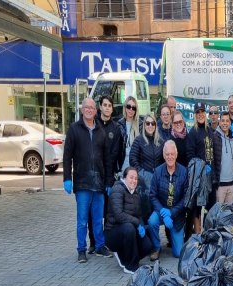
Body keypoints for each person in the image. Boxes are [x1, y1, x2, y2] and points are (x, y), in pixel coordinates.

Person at [63, 97, 114, 263]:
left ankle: (100, 246)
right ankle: (81, 250)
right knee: (82, 220)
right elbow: (67, 156)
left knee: (98, 219)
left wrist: (108, 182)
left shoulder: (101, 131)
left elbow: (107, 159)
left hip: (99, 184)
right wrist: (66, 178)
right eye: (86, 107)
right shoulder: (74, 129)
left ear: (95, 110)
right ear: (82, 109)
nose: (89, 110)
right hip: (82, 183)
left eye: (92, 108)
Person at [86, 95, 122, 254]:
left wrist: (110, 180)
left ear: (112, 109)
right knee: (91, 212)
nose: (107, 108)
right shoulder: (93, 124)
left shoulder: (115, 128)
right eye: (104, 105)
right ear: (99, 107)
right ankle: (93, 242)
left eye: (110, 105)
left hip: (108, 177)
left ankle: (104, 243)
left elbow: (115, 155)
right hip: (92, 176)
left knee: (108, 212)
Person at [105, 167, 153, 274]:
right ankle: (130, 266)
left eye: (136, 178)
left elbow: (139, 215)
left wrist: (141, 225)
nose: (134, 181)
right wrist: (136, 223)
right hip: (113, 232)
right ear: (124, 177)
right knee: (129, 228)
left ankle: (126, 256)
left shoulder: (135, 194)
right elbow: (119, 215)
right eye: (131, 177)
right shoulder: (117, 189)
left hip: (128, 229)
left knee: (148, 245)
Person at [129, 112, 163, 260]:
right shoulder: (139, 141)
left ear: (156, 126)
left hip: (157, 184)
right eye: (147, 123)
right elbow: (132, 158)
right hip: (143, 186)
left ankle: (156, 245)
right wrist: (141, 173)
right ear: (144, 125)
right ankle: (148, 246)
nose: (150, 126)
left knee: (155, 214)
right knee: (145, 214)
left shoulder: (160, 141)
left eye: (153, 123)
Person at [148, 140, 188, 258]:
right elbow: (152, 195)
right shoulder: (158, 171)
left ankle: (176, 235)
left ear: (176, 155)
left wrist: (172, 212)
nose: (170, 157)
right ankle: (156, 247)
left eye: (172, 154)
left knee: (177, 253)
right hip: (161, 210)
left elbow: (186, 198)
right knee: (152, 221)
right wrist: (163, 212)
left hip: (177, 214)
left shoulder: (184, 172)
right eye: (167, 154)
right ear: (164, 155)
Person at [186, 102, 215, 233]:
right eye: (198, 112)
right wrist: (202, 167)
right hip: (199, 177)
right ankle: (198, 236)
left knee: (211, 206)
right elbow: (190, 156)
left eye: (202, 111)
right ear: (195, 115)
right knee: (198, 207)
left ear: (205, 113)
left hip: (211, 176)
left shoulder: (210, 131)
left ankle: (209, 234)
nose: (200, 114)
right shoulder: (193, 133)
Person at [213, 111, 233, 204]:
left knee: (228, 215)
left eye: (227, 121)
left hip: (232, 183)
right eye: (223, 121)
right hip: (220, 185)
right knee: (218, 215)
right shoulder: (214, 137)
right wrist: (215, 182)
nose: (225, 123)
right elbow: (213, 161)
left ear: (230, 123)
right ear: (219, 122)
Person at [117, 96, 141, 173]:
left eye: (133, 108)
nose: (131, 109)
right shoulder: (119, 125)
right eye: (129, 106)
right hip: (122, 165)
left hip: (136, 166)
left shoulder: (140, 125)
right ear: (125, 108)